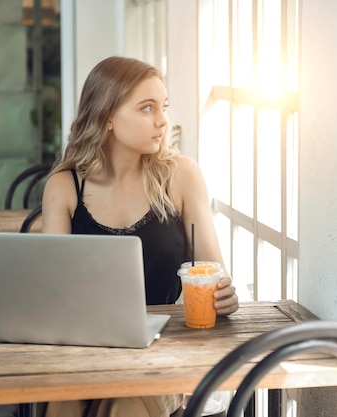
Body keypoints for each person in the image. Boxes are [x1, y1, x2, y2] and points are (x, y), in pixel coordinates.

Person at [39, 56, 239, 417]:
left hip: (165, 353)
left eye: (163, 107)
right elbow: (54, 295)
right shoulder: (64, 186)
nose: (163, 120)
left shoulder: (181, 176)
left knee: (125, 405)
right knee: (62, 404)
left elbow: (215, 276)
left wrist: (224, 295)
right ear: (108, 117)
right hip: (84, 349)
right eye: (147, 108)